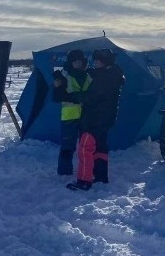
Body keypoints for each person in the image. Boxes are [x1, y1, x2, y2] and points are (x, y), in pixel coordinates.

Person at [67, 48, 125, 191]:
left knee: (85, 148)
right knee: (100, 147)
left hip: (94, 118)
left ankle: (84, 180)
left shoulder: (103, 77)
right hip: (105, 119)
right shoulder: (113, 74)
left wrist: (75, 96)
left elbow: (92, 96)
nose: (94, 62)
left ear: (104, 61)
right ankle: (100, 175)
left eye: (97, 60)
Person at [51, 49, 91, 176]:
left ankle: (85, 172)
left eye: (79, 61)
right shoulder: (64, 76)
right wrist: (74, 97)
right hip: (69, 117)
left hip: (86, 116)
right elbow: (56, 97)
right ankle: (64, 172)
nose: (77, 64)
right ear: (70, 62)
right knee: (68, 146)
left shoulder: (88, 75)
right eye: (75, 61)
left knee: (87, 145)